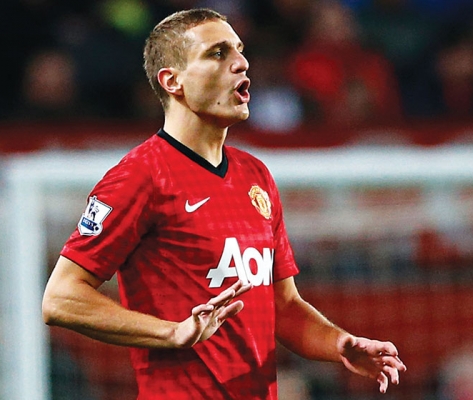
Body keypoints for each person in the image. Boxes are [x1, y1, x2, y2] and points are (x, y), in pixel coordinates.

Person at [41, 8, 406, 400]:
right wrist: (171, 332)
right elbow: (61, 298)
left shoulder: (256, 176)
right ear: (173, 81)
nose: (241, 63)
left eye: (240, 50)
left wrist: (339, 343)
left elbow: (284, 306)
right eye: (218, 53)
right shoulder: (141, 176)